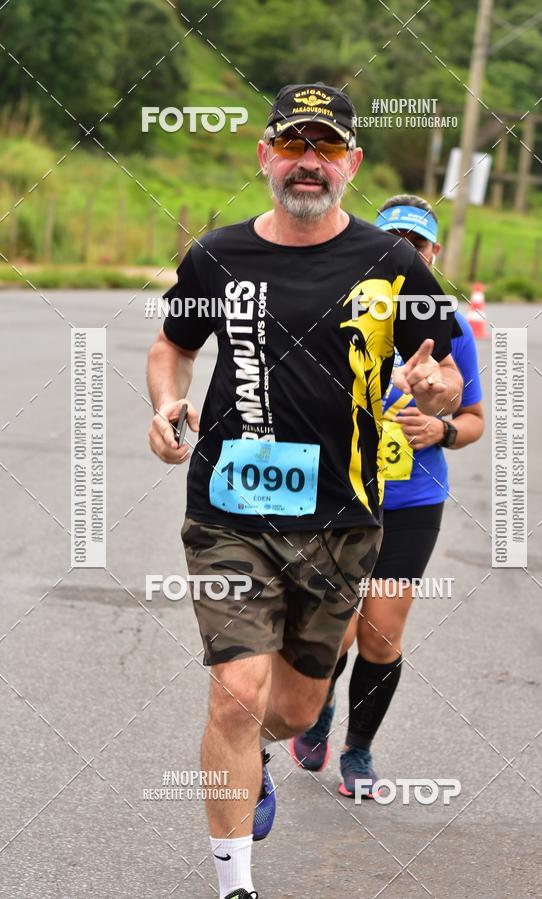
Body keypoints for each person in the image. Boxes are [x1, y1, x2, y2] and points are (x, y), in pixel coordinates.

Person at [147, 82, 463, 899]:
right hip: (230, 512)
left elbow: (446, 373)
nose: (309, 163)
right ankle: (236, 884)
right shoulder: (216, 255)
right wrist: (164, 400)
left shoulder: (392, 263)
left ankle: (259, 757)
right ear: (265, 156)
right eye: (294, 145)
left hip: (341, 520)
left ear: (352, 163)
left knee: (287, 709)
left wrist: (434, 390)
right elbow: (170, 345)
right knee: (236, 694)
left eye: (326, 149)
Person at [292, 194, 484, 798]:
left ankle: (358, 751)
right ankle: (316, 711)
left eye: (417, 245)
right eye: (393, 240)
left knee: (379, 634)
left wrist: (442, 427)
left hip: (411, 503)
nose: (404, 253)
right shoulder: (342, 312)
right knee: (336, 630)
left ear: (433, 255)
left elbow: (474, 418)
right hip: (341, 496)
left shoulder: (451, 331)